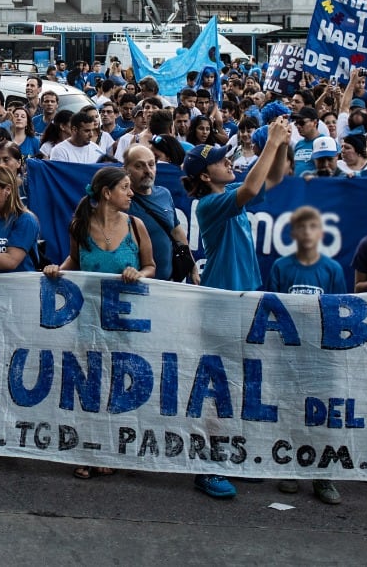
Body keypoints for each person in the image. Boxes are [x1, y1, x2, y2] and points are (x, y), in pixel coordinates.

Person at [181, 119, 289, 501]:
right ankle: (207, 467)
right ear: (204, 176)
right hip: (222, 304)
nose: (229, 161)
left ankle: (230, 454)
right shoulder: (210, 204)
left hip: (244, 299)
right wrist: (271, 141)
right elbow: (253, 187)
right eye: (220, 160)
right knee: (217, 387)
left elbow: (273, 178)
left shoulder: (226, 192)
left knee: (242, 382)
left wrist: (281, 144)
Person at [42, 165, 154, 479]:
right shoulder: (80, 225)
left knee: (116, 386)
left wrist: (138, 273)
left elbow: (151, 266)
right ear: (107, 193)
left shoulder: (136, 226)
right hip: (88, 320)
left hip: (123, 322)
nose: (131, 193)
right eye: (125, 188)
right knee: (88, 384)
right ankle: (83, 450)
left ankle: (107, 449)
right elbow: (75, 261)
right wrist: (57, 270)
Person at [266, 204, 346, 505]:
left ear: (321, 232)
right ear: (293, 233)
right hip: (288, 355)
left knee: (322, 414)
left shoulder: (333, 270)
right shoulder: (281, 267)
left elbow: (341, 312)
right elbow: (271, 310)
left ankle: (322, 476)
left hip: (321, 356)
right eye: (301, 227)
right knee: (290, 410)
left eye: (313, 227)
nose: (307, 232)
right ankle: (291, 467)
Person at [123, 144, 195, 283]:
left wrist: (192, 267)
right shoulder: (121, 200)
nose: (147, 170)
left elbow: (177, 232)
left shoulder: (164, 194)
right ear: (126, 169)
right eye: (139, 166)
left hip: (167, 284)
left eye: (151, 164)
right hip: (134, 284)